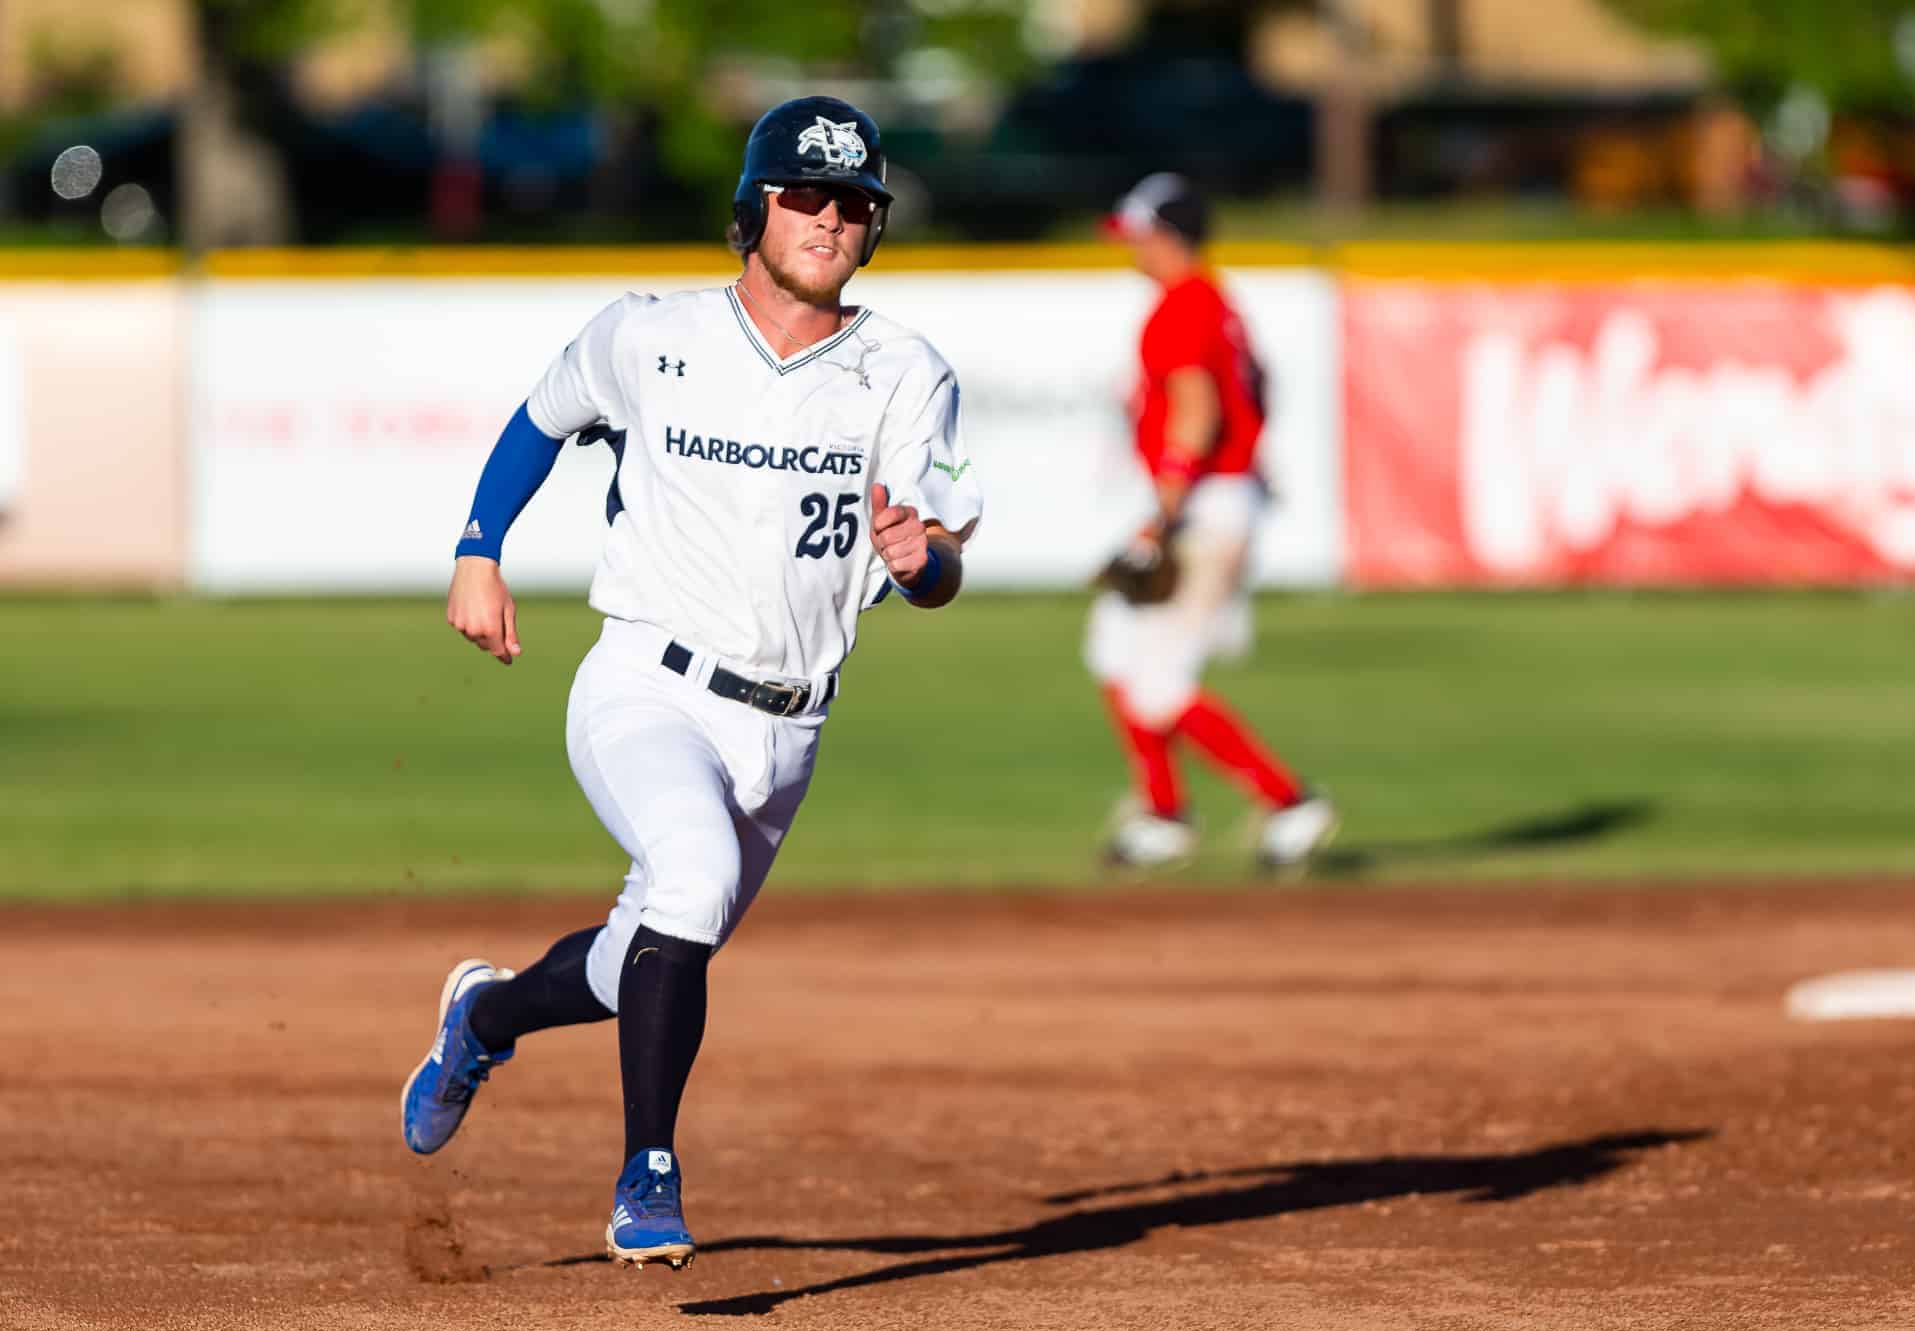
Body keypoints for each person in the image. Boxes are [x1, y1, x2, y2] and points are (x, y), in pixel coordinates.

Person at [399, 96, 982, 1270]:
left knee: (648, 952)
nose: (828, 218)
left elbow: (936, 563)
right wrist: (477, 549)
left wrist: (928, 567)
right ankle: (646, 1173)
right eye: (804, 194)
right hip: (645, 685)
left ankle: (485, 1016)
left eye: (854, 202)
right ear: (753, 208)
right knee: (694, 879)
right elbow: (537, 422)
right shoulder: (648, 335)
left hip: (790, 725)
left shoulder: (906, 373)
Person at [1087, 172, 1335, 871]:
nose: (1130, 247)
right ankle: (1164, 813)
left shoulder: (1184, 307)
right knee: (1114, 648)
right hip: (1210, 497)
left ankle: (1289, 800)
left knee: (1158, 682)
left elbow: (1197, 409)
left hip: (1202, 505)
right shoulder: (1213, 303)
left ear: (1164, 236)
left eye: (1137, 234)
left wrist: (1162, 514)